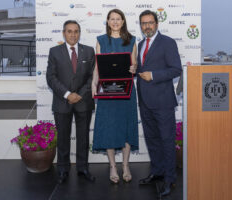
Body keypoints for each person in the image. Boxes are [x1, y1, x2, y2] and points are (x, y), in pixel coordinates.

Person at [136, 10, 182, 197]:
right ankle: (157, 172)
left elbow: (176, 69)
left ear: (156, 24)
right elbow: (141, 70)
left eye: (150, 22)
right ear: (140, 25)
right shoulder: (139, 44)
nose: (147, 26)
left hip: (163, 102)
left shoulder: (168, 43)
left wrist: (153, 75)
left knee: (166, 141)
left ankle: (169, 179)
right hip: (145, 101)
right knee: (152, 140)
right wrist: (133, 69)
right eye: (143, 23)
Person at [91, 9, 138, 184]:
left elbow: (134, 65)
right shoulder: (101, 40)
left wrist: (134, 68)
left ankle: (125, 165)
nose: (115, 22)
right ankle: (112, 165)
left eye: (119, 19)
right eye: (112, 19)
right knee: (110, 127)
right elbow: (97, 67)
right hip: (107, 90)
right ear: (108, 21)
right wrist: (93, 84)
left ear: (123, 21)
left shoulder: (132, 40)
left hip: (126, 90)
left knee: (126, 127)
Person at [46, 20, 96, 183]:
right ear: (63, 33)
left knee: (83, 137)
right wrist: (68, 94)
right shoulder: (54, 52)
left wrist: (79, 94)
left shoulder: (89, 51)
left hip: (83, 101)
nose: (73, 34)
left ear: (79, 33)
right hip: (62, 101)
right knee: (63, 138)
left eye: (76, 31)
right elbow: (51, 77)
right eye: (69, 31)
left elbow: (92, 77)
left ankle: (83, 168)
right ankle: (63, 170)